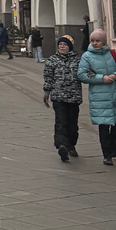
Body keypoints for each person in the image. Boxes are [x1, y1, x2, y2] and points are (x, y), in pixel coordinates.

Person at [77, 29, 116, 165]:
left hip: (114, 95)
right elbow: (82, 74)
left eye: (98, 40)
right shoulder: (87, 56)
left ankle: (113, 150)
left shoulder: (112, 54)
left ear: (104, 41)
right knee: (104, 127)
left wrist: (114, 75)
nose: (95, 43)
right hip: (99, 98)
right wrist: (101, 78)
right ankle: (107, 155)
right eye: (92, 40)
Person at [43, 36, 82, 162]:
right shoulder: (52, 60)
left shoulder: (78, 60)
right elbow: (48, 77)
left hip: (74, 97)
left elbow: (85, 73)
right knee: (61, 122)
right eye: (60, 44)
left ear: (70, 46)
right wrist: (46, 92)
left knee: (73, 124)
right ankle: (62, 146)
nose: (62, 46)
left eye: (65, 45)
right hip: (58, 97)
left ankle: (71, 145)